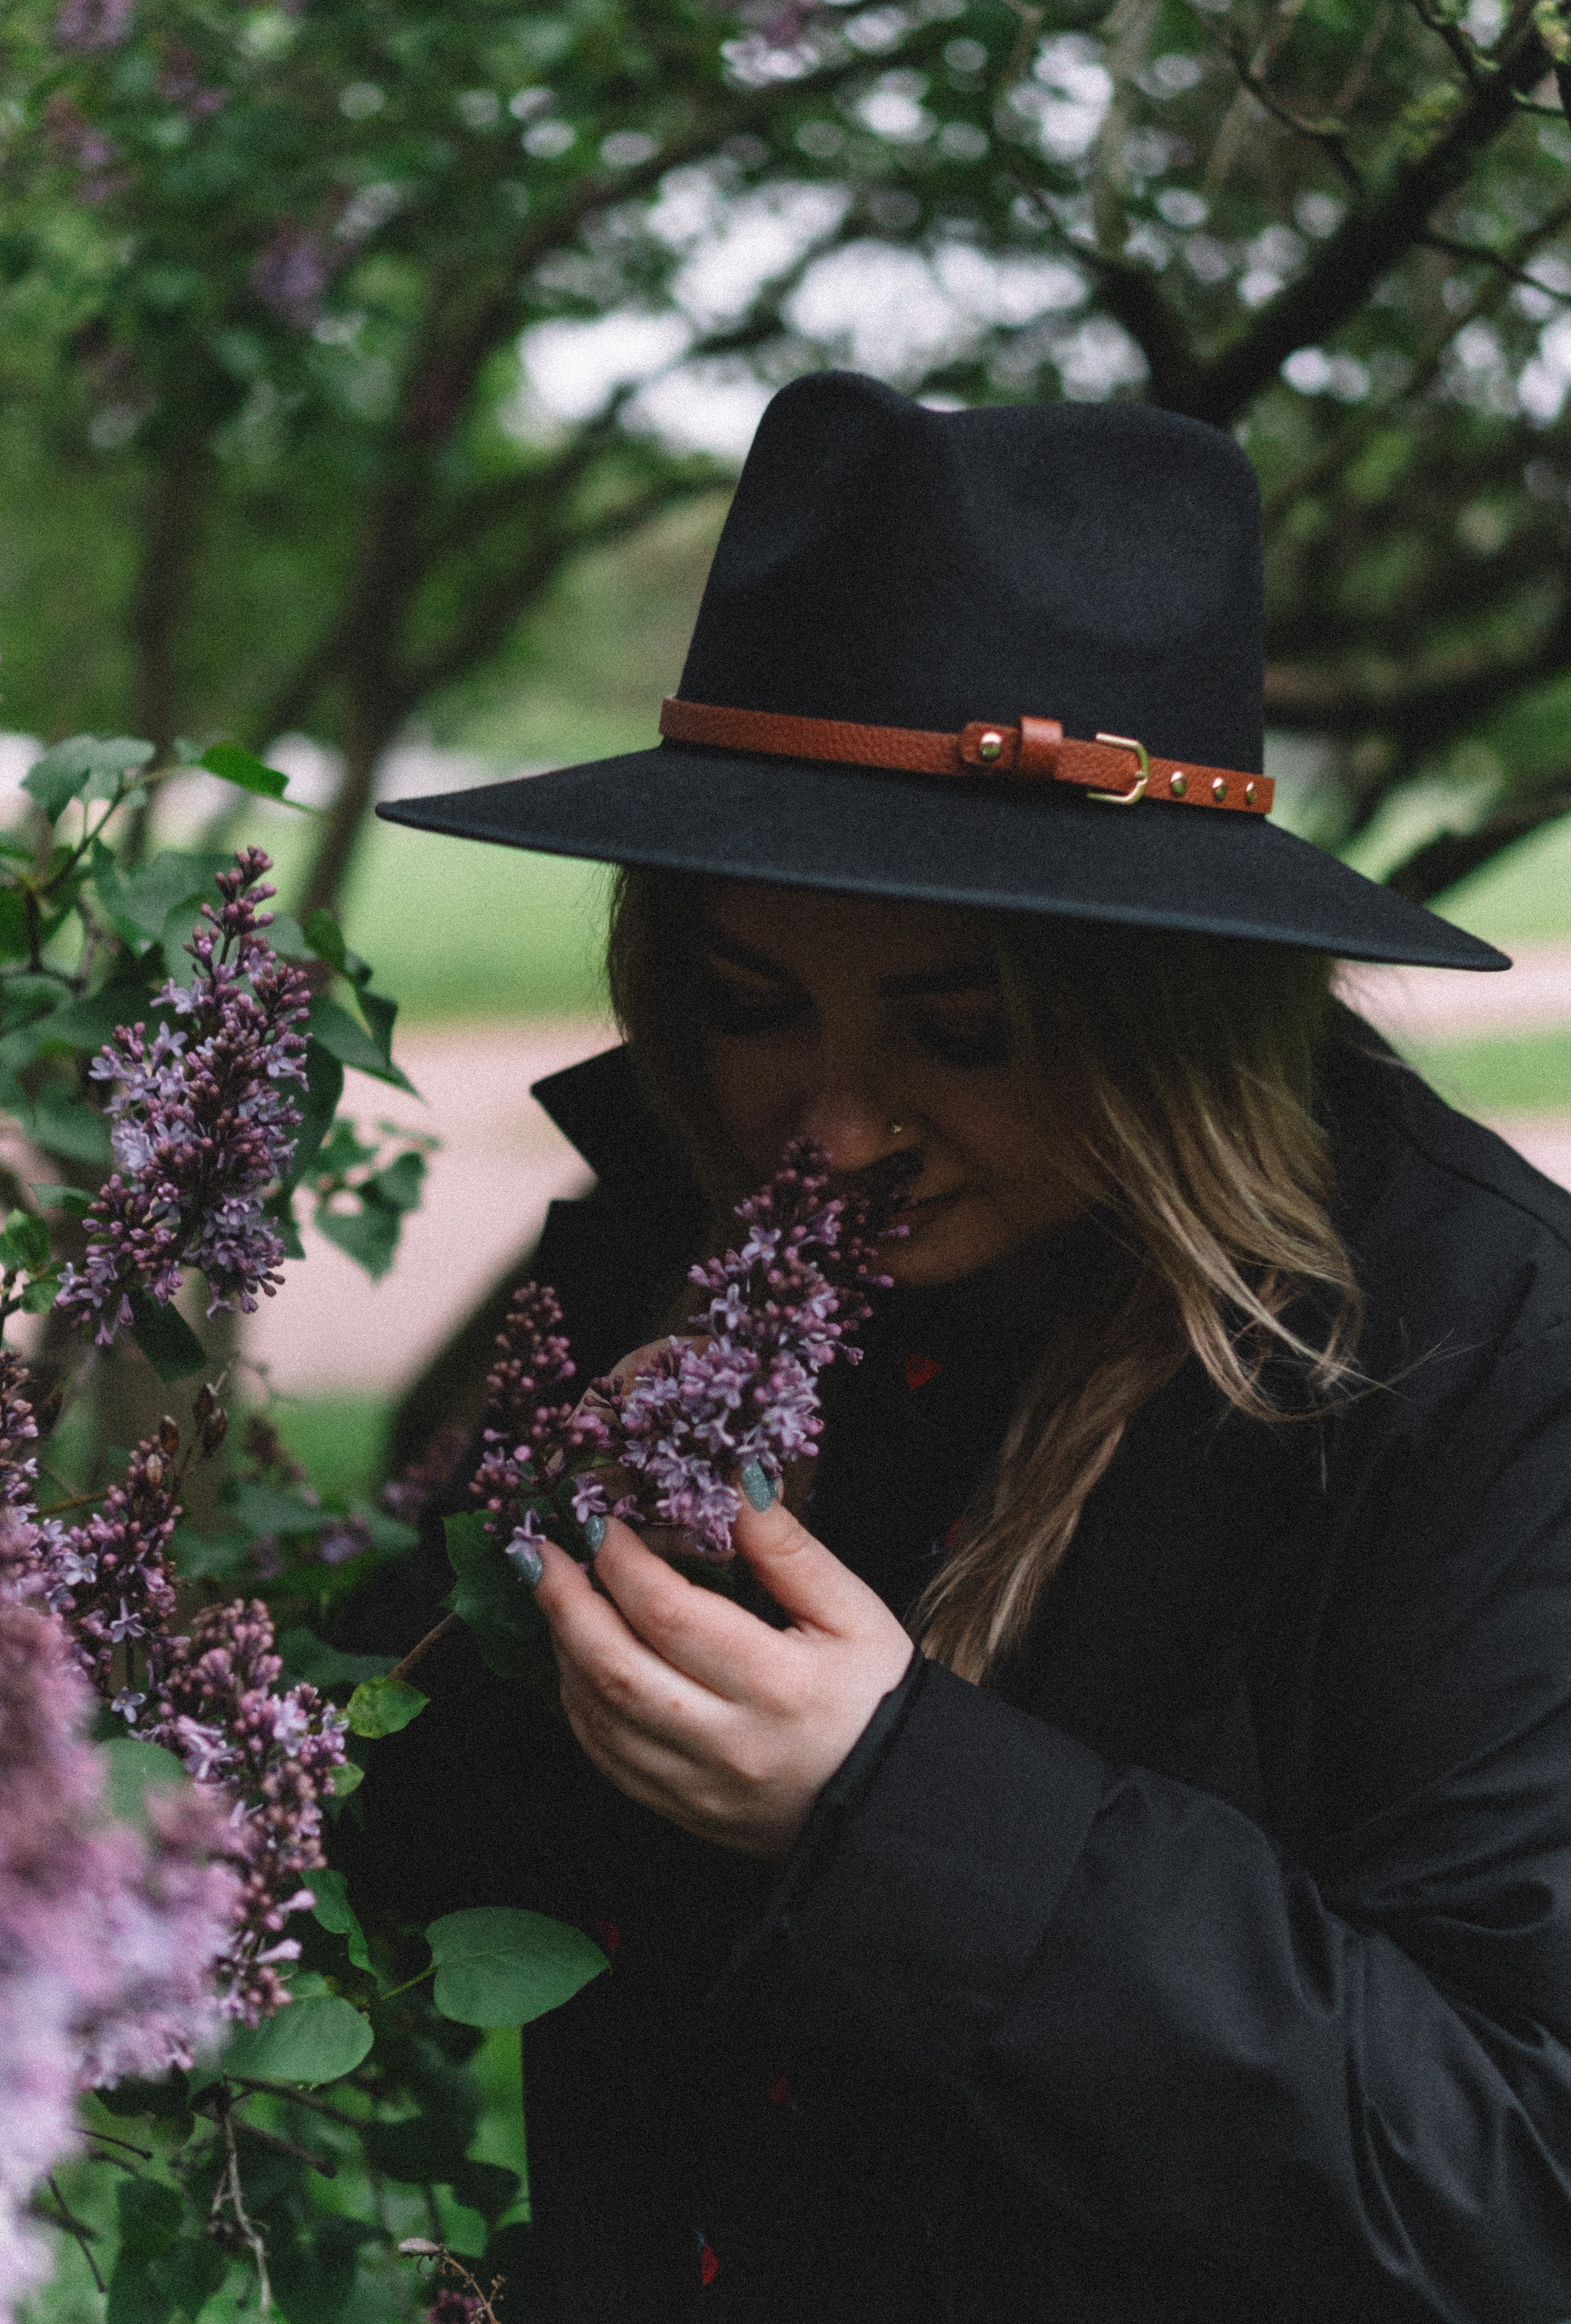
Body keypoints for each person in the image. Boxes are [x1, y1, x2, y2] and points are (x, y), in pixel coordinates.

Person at [353, 373, 1571, 2322]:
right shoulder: (680, 1208)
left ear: (1168, 1007)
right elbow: (395, 1845)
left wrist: (891, 1802)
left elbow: (1508, 2180)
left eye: (965, 1030)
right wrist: (550, 1571)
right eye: (756, 1001)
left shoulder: (1475, 1351)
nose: (828, 1134)